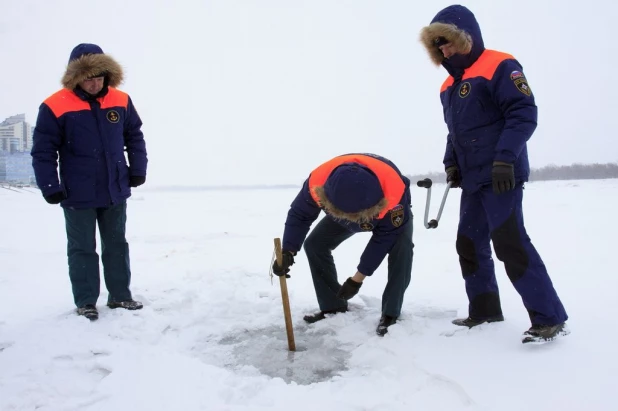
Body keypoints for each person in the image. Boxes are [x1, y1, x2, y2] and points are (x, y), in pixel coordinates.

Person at [420, 5, 568, 343]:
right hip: (473, 179)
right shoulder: (447, 87)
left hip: (502, 174)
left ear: (466, 37)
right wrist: (451, 163)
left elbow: (523, 113)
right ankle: (485, 309)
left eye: (449, 43)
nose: (445, 51)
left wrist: (505, 158)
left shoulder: (500, 65)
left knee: (510, 243)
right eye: (438, 46)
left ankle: (549, 317)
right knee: (469, 244)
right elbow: (454, 132)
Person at [31, 43, 147, 321]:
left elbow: (135, 137)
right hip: (77, 192)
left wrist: (137, 169)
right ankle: (86, 301)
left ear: (107, 74)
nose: (94, 83)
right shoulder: (54, 105)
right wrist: (50, 185)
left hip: (115, 189)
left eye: (99, 76)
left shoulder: (121, 100)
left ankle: (120, 295)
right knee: (82, 248)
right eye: (88, 77)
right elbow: (43, 151)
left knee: (117, 243)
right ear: (75, 77)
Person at [272, 153, 413, 336]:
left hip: (386, 218)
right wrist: (288, 250)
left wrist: (357, 279)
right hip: (342, 209)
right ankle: (333, 307)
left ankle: (390, 313)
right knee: (315, 244)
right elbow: (300, 215)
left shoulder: (394, 195)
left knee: (401, 249)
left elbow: (382, 241)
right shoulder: (317, 183)